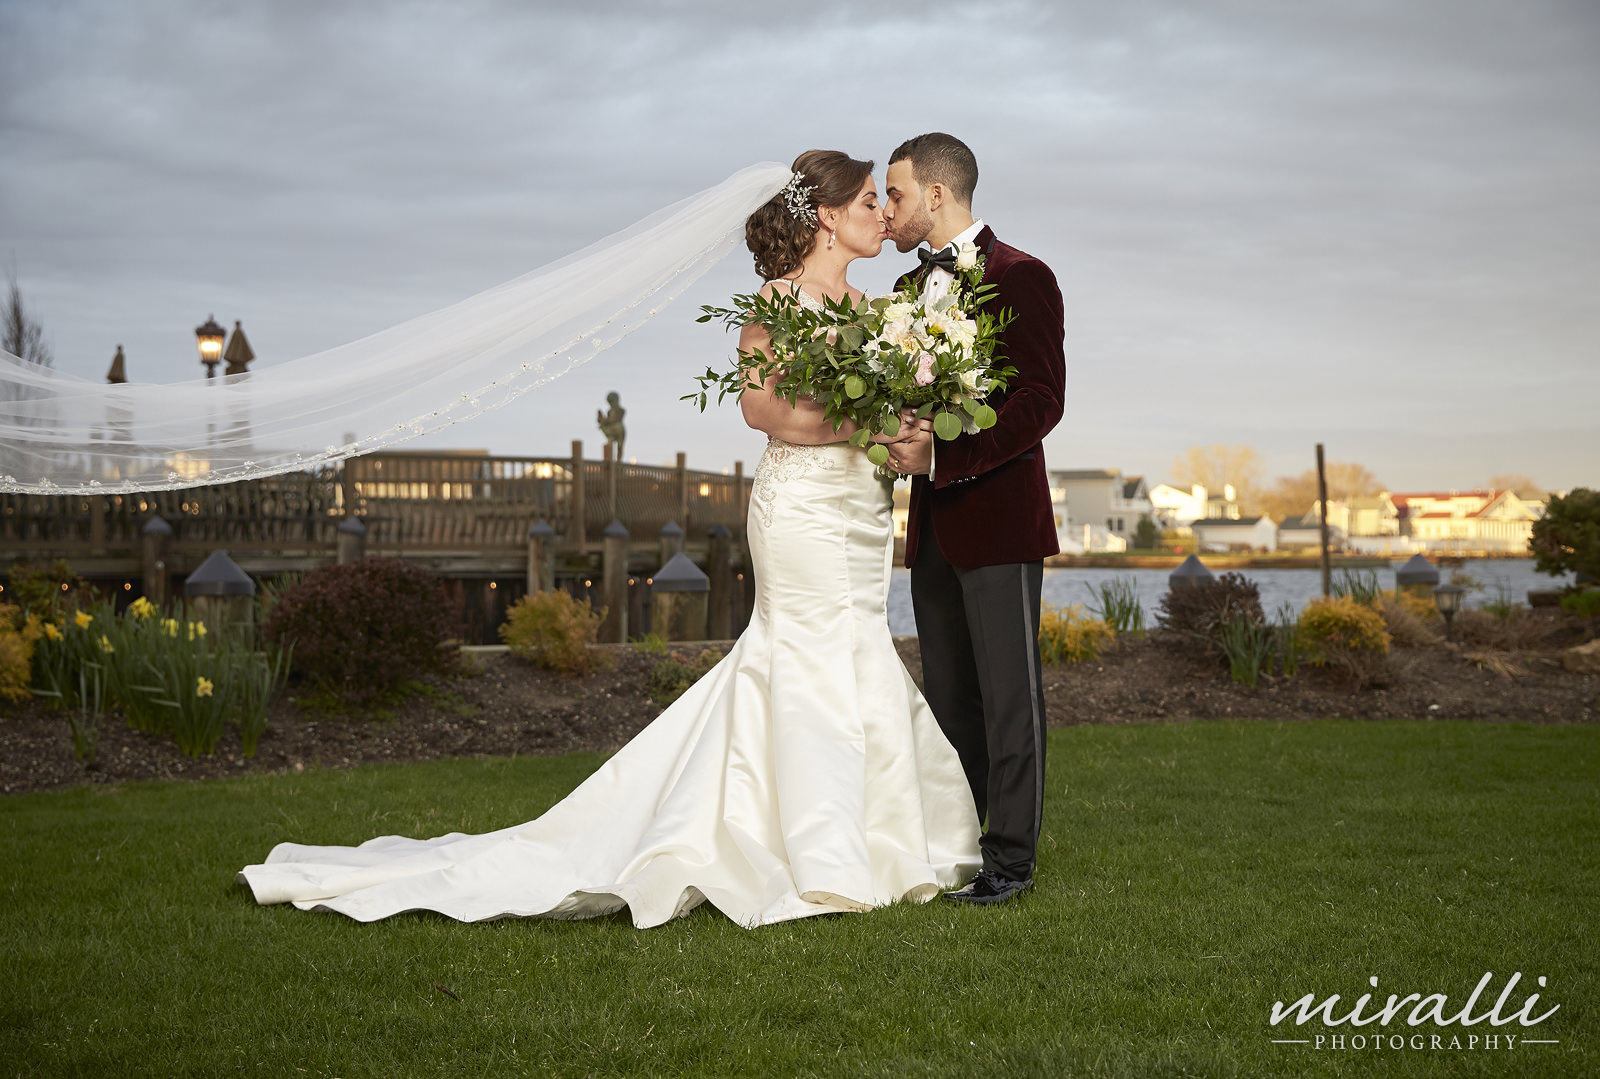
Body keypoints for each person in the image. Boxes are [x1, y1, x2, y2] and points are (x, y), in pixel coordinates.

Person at [237, 150, 982, 929]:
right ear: (826, 214)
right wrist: (861, 421)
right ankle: (821, 851)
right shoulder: (777, 301)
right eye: (869, 199)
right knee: (804, 654)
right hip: (798, 509)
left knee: (857, 645)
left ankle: (878, 839)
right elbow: (764, 412)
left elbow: (897, 396)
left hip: (861, 509)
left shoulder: (874, 310)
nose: (881, 212)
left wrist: (908, 425)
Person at [880, 133, 1066, 906]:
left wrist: (943, 460)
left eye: (894, 194)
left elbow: (1039, 401)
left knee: (1009, 696)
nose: (886, 209)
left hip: (997, 520)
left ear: (936, 193)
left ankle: (1011, 861)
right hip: (931, 528)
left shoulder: (1023, 276)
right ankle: (962, 843)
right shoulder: (905, 287)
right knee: (951, 694)